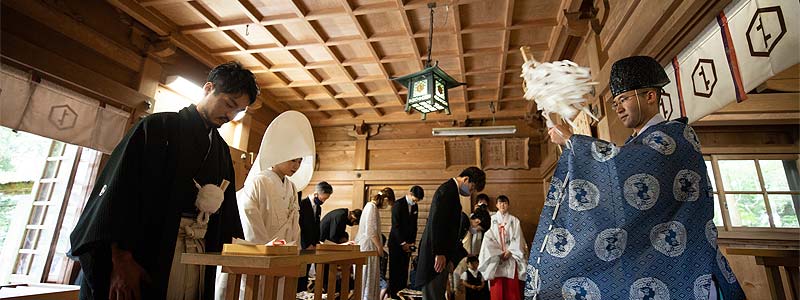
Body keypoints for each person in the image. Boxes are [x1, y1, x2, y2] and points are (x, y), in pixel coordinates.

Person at [524, 56, 745, 299]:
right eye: (616, 101)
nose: (617, 107)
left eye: (624, 98)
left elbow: (629, 164)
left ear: (650, 96)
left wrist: (571, 141)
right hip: (651, 258)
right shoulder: (636, 145)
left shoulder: (675, 138)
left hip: (688, 263)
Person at [69, 61, 257, 300]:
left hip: (196, 254)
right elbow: (119, 195)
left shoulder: (220, 149)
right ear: (208, 88)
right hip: (145, 252)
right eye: (229, 104)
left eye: (238, 111)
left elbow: (226, 216)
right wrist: (120, 258)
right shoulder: (156, 128)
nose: (231, 115)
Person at [218, 110, 315, 299]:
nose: (296, 166)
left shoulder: (292, 188)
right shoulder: (259, 181)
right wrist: (264, 248)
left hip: (283, 254)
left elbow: (294, 223)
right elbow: (249, 216)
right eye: (292, 160)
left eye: (299, 161)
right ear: (278, 155)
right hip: (261, 251)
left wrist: (291, 250)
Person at [416, 167, 486, 300]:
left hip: (442, 255)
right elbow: (438, 223)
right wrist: (439, 252)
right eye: (471, 188)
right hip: (435, 256)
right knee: (433, 296)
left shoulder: (452, 192)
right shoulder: (447, 191)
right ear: (466, 179)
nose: (470, 193)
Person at [478, 195, 526, 300]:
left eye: (504, 203)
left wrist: (510, 251)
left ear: (508, 205)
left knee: (512, 288)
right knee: (497, 288)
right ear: (496, 205)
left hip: (511, 257)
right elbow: (488, 238)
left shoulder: (514, 221)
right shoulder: (490, 220)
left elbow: (518, 237)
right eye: (500, 203)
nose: (502, 205)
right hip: (496, 257)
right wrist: (498, 252)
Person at [355, 187, 395, 300]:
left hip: (370, 248)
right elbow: (371, 231)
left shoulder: (371, 207)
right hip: (368, 248)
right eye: (388, 202)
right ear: (385, 199)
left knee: (371, 278)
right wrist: (379, 247)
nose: (386, 206)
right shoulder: (371, 207)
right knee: (367, 278)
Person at [388, 185, 424, 298]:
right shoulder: (398, 204)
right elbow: (396, 226)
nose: (415, 202)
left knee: (404, 272)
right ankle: (394, 295)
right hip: (396, 243)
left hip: (408, 244)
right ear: (410, 194)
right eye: (414, 200)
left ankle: (402, 295)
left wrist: (411, 243)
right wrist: (403, 243)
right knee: (395, 271)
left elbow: (414, 226)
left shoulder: (415, 207)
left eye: (417, 201)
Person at [297, 181, 333, 292]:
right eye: (323, 199)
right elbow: (299, 226)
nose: (323, 201)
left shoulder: (318, 208)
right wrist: (306, 245)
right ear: (317, 193)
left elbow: (317, 228)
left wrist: (316, 243)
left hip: (312, 246)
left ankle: (303, 294)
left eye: (325, 200)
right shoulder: (302, 204)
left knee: (306, 273)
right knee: (300, 274)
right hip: (302, 245)